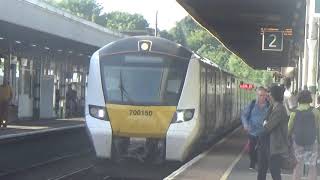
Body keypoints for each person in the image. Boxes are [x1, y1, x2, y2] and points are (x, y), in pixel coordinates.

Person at [288, 90, 320, 180]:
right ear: (310, 98)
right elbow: (318, 127)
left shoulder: (294, 112)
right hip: (312, 141)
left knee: (298, 165)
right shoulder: (315, 112)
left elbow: (289, 128)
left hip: (298, 142)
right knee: (312, 166)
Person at [258, 85, 288, 180]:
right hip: (266, 144)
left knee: (275, 172)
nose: (268, 95)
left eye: (270, 93)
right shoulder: (272, 107)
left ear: (274, 95)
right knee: (261, 170)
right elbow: (264, 121)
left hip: (274, 145)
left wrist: (265, 124)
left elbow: (268, 126)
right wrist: (265, 123)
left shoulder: (280, 109)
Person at [241, 86, 270, 170]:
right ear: (257, 95)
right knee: (251, 149)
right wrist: (245, 125)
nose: (262, 97)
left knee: (263, 150)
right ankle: (252, 162)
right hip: (252, 131)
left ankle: (261, 163)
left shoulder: (269, 106)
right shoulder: (252, 104)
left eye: (264, 95)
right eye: (260, 95)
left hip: (264, 132)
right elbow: (244, 115)